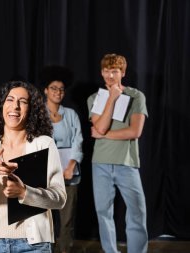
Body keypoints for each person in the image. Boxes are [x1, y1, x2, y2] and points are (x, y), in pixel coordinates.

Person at [0, 81, 67, 253]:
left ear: (31, 109)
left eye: (23, 101)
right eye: (9, 99)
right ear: (1, 106)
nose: (15, 106)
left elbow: (59, 198)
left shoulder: (44, 144)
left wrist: (24, 192)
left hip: (33, 245)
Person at [87, 54, 148, 253]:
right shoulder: (95, 98)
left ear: (123, 72)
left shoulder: (136, 96)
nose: (110, 75)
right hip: (101, 163)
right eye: (106, 70)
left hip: (127, 163)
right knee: (103, 212)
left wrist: (104, 135)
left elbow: (134, 131)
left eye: (115, 71)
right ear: (101, 72)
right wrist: (112, 99)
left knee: (137, 212)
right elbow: (101, 126)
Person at [41, 66, 83, 253]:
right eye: (54, 88)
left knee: (66, 220)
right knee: (43, 218)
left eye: (61, 89)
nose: (58, 92)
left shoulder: (71, 115)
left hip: (68, 174)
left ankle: (64, 250)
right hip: (45, 175)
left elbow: (78, 141)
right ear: (46, 91)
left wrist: (70, 166)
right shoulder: (38, 114)